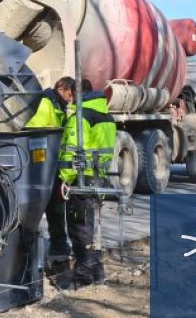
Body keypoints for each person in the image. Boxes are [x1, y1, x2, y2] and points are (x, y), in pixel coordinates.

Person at [57, 78, 117, 289]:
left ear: (75, 93)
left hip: (81, 180)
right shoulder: (106, 115)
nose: (70, 98)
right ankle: (97, 272)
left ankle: (82, 278)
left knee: (79, 230)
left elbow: (72, 151)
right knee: (92, 229)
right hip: (98, 176)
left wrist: (65, 178)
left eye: (72, 94)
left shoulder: (80, 117)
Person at [26, 77, 74, 276]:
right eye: (69, 94)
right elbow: (35, 127)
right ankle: (37, 251)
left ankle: (58, 251)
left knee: (56, 210)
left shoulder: (58, 105)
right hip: (43, 166)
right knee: (49, 210)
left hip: (50, 165)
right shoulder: (48, 103)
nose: (71, 98)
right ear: (60, 88)